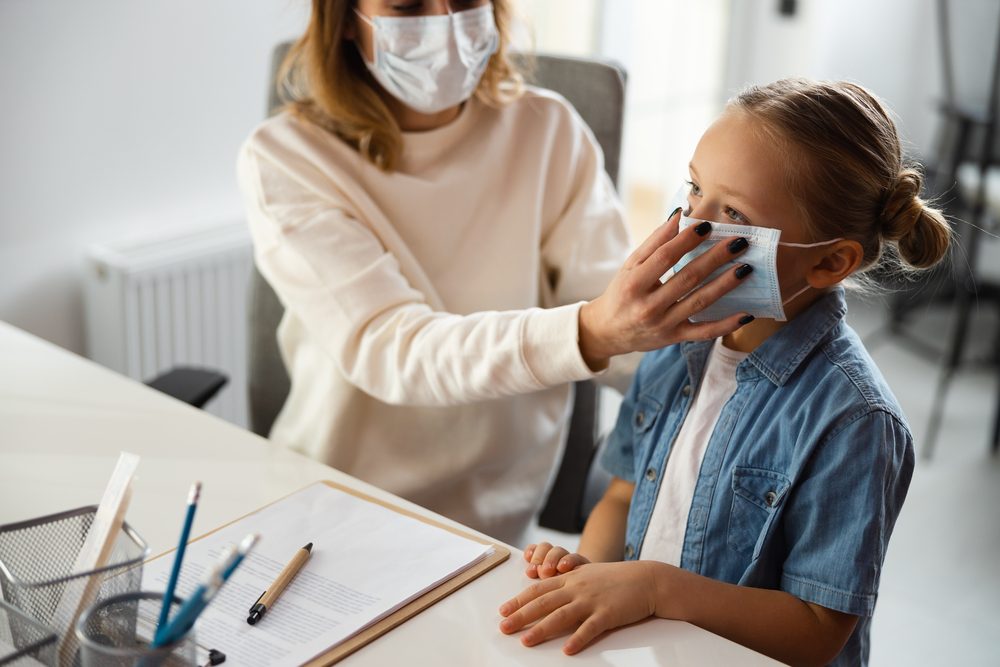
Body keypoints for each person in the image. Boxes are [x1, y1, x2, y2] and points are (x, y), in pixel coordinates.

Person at [236, 0, 757, 545]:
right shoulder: (285, 157)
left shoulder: (548, 129)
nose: (446, 23)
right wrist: (588, 331)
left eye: (465, 2)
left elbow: (623, 325)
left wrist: (738, 329)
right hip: (335, 506)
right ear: (343, 19)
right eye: (409, 6)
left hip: (497, 522)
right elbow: (392, 349)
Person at [497, 78, 951, 667]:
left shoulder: (855, 421)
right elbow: (622, 494)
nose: (690, 227)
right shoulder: (672, 344)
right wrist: (589, 575)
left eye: (732, 212)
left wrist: (656, 588)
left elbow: (816, 631)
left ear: (830, 260)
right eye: (694, 189)